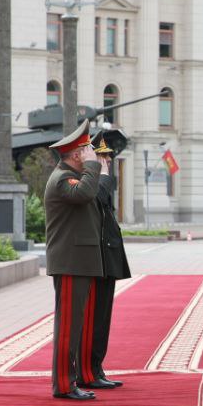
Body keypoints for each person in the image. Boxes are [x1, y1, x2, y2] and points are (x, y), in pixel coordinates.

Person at [43, 120, 104, 400]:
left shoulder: (71, 176)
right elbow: (85, 193)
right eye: (88, 150)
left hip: (78, 260)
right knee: (68, 326)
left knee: (75, 325)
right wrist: (94, 167)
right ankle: (65, 385)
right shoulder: (62, 179)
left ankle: (72, 379)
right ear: (76, 155)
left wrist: (93, 168)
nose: (92, 154)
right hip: (70, 261)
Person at [86, 127, 131, 389]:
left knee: (103, 318)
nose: (109, 160)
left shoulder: (99, 179)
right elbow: (98, 199)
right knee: (95, 318)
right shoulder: (92, 180)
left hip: (107, 257)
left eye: (110, 156)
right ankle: (91, 369)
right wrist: (101, 174)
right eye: (103, 155)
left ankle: (97, 367)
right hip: (96, 260)